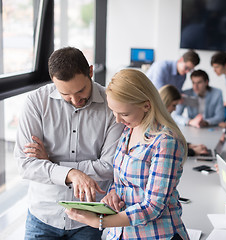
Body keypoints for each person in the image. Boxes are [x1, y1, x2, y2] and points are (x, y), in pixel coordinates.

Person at [14, 47, 124, 239]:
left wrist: (51, 164)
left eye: (80, 90)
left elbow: (110, 166)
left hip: (90, 219)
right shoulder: (36, 102)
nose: (75, 100)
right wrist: (72, 174)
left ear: (90, 72)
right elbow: (25, 165)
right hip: (43, 217)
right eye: (65, 94)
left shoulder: (112, 105)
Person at [65, 69, 189, 240]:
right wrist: (113, 193)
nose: (117, 120)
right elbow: (122, 180)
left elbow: (153, 207)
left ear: (146, 105)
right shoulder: (128, 131)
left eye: (124, 114)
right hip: (122, 234)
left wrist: (99, 222)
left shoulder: (165, 142)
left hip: (157, 235)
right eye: (113, 112)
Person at [159, 84, 209, 156]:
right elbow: (168, 149)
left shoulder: (163, 119)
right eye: (174, 105)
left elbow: (173, 141)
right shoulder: (156, 122)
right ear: (165, 102)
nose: (175, 109)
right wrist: (193, 151)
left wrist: (188, 146)